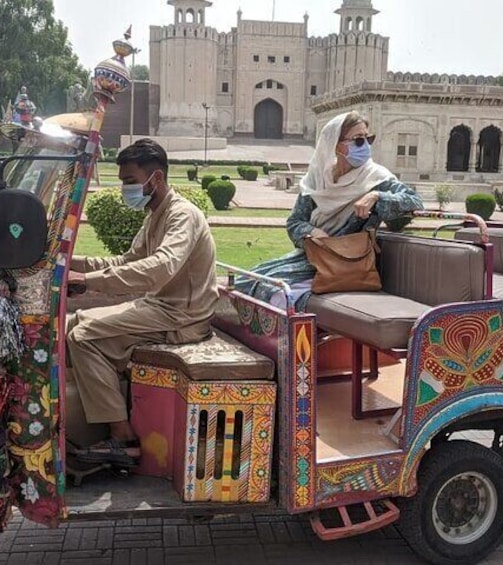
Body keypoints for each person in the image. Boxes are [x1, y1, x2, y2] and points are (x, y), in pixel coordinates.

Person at [66, 138, 219, 466]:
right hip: (161, 307)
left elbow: (160, 267)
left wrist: (88, 283)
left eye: (129, 182)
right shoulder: (155, 215)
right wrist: (69, 263)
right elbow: (125, 262)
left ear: (157, 179)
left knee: (83, 336)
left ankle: (122, 437)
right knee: (73, 323)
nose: (125, 190)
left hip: (181, 316)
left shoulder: (183, 215)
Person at [236, 111, 424, 310]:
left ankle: (286, 340)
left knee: (276, 291)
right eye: (359, 141)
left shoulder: (376, 179)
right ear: (336, 145)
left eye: (369, 139)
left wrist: (377, 196)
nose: (366, 146)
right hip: (311, 256)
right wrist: (314, 233)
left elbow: (414, 202)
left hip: (347, 262)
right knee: (246, 281)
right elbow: (295, 222)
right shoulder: (318, 179)